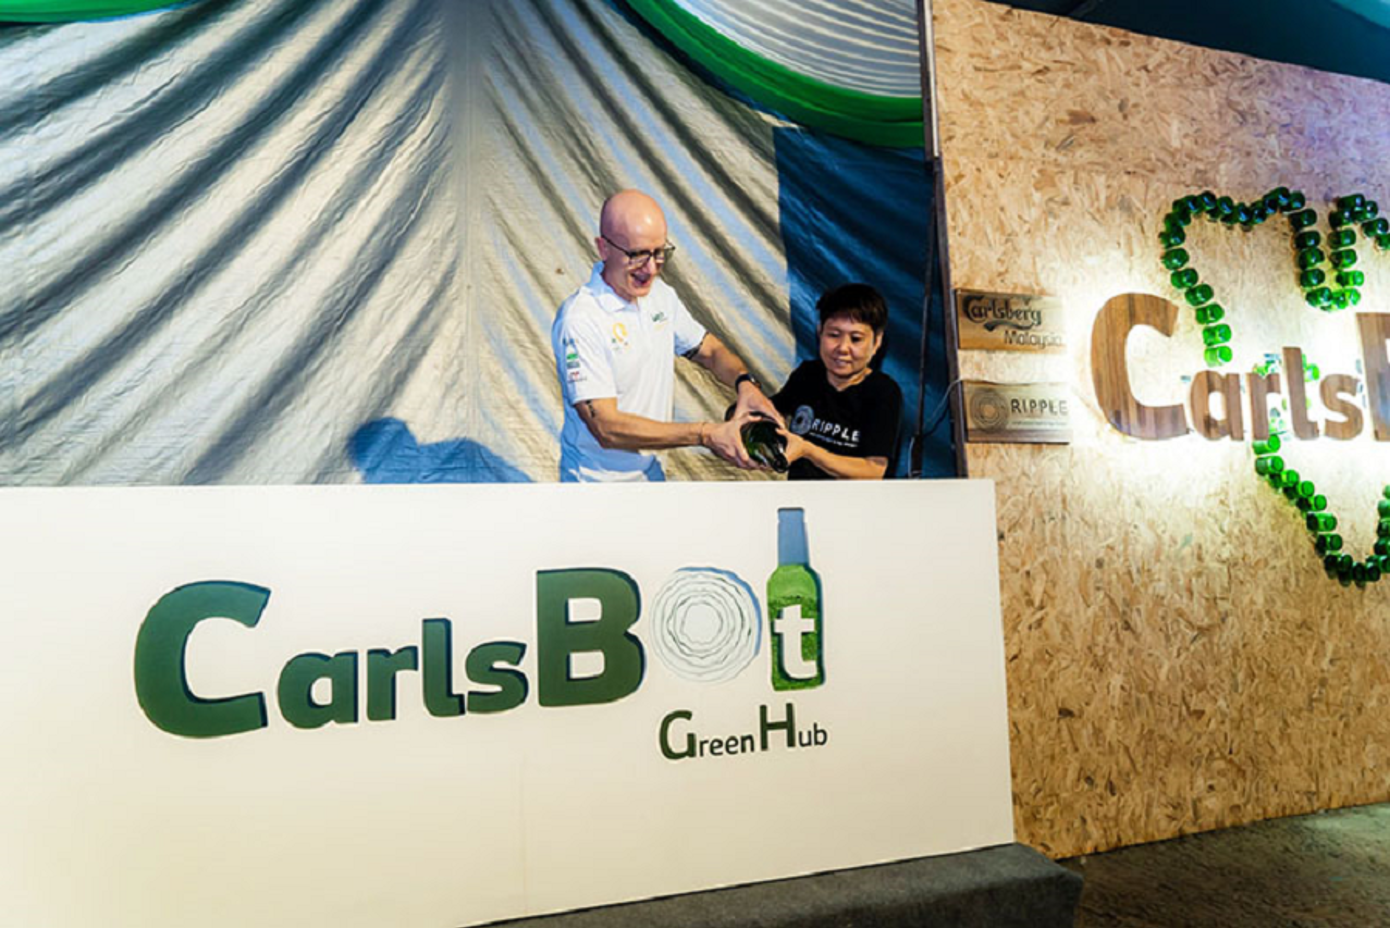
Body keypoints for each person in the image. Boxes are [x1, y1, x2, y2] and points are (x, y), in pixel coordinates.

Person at [551, 189, 781, 482]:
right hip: (596, 487)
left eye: (659, 252)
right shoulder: (581, 319)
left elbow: (709, 350)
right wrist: (704, 434)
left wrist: (745, 384)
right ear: (603, 248)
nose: (650, 269)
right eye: (636, 254)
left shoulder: (660, 296)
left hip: (652, 477)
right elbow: (606, 428)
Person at [772, 283, 903, 480]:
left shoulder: (884, 392)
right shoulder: (807, 374)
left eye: (856, 339)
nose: (843, 348)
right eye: (834, 335)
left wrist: (808, 451)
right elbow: (772, 412)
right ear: (820, 332)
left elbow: (874, 470)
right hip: (801, 501)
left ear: (877, 343)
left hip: (854, 506)